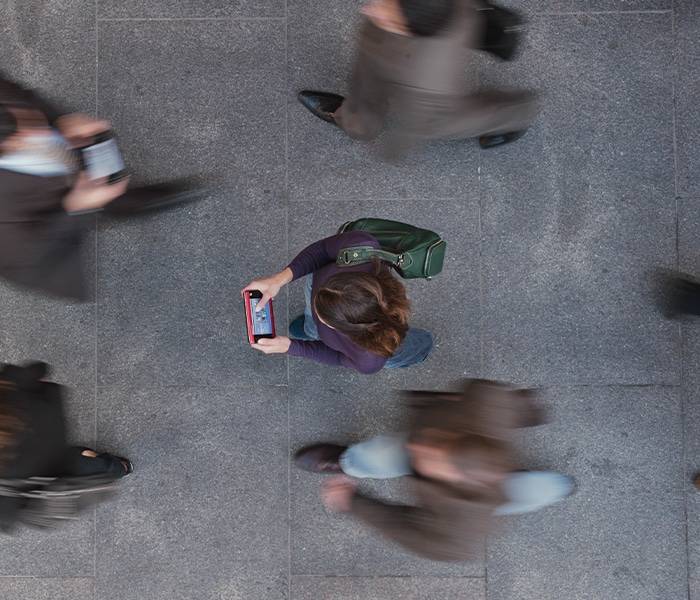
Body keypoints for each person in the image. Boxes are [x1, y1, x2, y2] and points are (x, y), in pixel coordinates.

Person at [294, 380, 574, 561]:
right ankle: (348, 461)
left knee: (532, 492)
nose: (421, 447)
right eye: (439, 443)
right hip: (486, 466)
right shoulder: (488, 406)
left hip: (475, 501)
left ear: (456, 482)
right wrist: (529, 410)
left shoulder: (462, 530)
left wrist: (354, 503)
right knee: (385, 453)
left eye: (433, 459)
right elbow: (497, 399)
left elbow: (406, 529)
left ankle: (557, 487)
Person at [0, 73, 205, 301]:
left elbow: (19, 95)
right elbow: (30, 262)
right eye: (25, 134)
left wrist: (59, 122)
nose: (42, 134)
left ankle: (125, 196)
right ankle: (127, 202)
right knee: (113, 201)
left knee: (102, 178)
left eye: (29, 120)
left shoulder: (18, 115)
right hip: (42, 224)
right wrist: (76, 207)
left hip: (43, 175)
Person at [297, 0, 539, 156]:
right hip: (414, 36)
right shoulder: (401, 19)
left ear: (409, 29)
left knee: (447, 120)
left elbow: (417, 122)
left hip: (424, 87)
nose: (369, 8)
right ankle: (358, 120)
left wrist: (395, 148)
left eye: (388, 14)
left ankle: (515, 113)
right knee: (369, 77)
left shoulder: (424, 80)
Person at [242, 230, 433, 374]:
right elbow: (322, 250)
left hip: (381, 346)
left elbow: (339, 357)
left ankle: (421, 348)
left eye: (322, 317)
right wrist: (278, 280)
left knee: (403, 347)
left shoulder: (369, 360)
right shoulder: (361, 246)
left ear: (342, 329)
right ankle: (311, 330)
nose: (314, 305)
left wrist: (293, 347)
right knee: (312, 326)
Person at [0, 361, 131, 531]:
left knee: (88, 467)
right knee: (83, 462)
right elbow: (30, 373)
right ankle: (112, 465)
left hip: (50, 475)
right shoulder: (8, 400)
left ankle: (119, 467)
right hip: (47, 435)